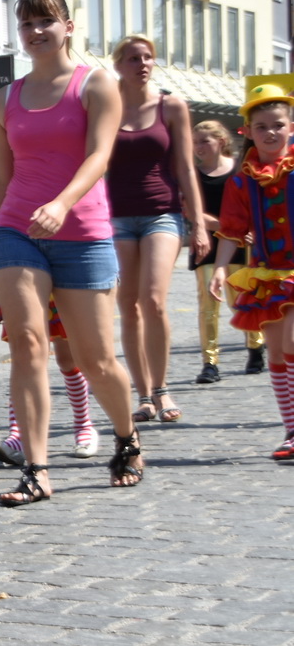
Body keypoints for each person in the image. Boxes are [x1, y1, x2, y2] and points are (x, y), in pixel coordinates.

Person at [0, 0, 142, 504]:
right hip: (17, 231)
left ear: (68, 26)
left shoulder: (96, 84)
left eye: (45, 22)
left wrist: (61, 204)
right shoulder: (5, 98)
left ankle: (125, 437)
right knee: (28, 345)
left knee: (96, 359)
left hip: (82, 232)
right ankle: (35, 468)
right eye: (26, 24)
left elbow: (99, 157)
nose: (35, 32)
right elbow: (0, 179)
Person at [107, 35, 208, 423]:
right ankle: (144, 393)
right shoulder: (107, 105)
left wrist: (197, 223)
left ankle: (163, 389)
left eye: (148, 57)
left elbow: (185, 167)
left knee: (154, 300)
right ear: (119, 65)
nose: (142, 64)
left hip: (162, 213)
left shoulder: (171, 105)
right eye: (133, 58)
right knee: (128, 305)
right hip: (116, 215)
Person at [209, 78, 294, 459]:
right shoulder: (242, 180)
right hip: (267, 272)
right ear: (248, 132)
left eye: (278, 124)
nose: (270, 132)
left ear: (291, 127)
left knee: (291, 344)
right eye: (262, 127)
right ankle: (291, 430)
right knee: (276, 352)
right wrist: (220, 269)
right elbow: (232, 229)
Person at [191, 118, 265, 381]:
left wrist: (246, 230)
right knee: (208, 305)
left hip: (242, 245)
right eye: (195, 141)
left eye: (204, 141)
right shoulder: (193, 174)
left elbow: (253, 204)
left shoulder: (239, 171)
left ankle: (256, 346)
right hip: (208, 244)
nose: (198, 146)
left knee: (242, 299)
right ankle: (209, 363)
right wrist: (228, 226)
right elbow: (191, 210)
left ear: (221, 141)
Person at [0, 301, 98, 464]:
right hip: (23, 285)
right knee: (25, 361)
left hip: (61, 289)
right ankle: (18, 436)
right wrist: (0, 298)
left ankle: (83, 425)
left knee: (67, 360)